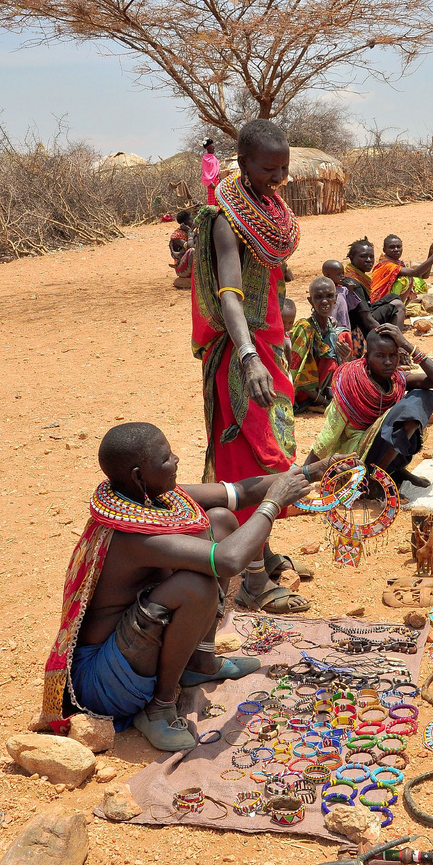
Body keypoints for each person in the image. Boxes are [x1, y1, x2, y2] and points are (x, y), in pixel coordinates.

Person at [40, 422, 329, 751]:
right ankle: (159, 707)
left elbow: (239, 493)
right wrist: (274, 504)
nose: (176, 459)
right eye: (166, 459)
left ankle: (199, 661)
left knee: (220, 521)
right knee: (196, 586)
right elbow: (229, 561)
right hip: (106, 680)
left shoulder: (147, 498)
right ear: (139, 476)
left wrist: (309, 472)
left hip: (132, 648)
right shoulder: (130, 536)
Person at [191, 119, 311, 614]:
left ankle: (260, 545)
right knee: (251, 458)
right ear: (242, 163)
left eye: (284, 168)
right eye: (268, 168)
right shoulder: (227, 218)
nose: (278, 177)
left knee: (277, 448)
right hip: (245, 355)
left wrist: (272, 353)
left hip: (270, 348)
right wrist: (250, 359)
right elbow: (230, 296)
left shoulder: (268, 207)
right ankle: (255, 579)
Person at [304, 325, 433, 489]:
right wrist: (305, 474)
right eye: (380, 356)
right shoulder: (352, 382)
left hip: (381, 447)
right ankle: (374, 483)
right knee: (406, 412)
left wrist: (407, 345)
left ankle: (395, 471)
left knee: (420, 397)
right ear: (367, 356)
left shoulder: (398, 379)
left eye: (393, 355)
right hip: (357, 456)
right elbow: (329, 434)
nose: (388, 362)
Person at [290, 277, 352, 412]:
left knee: (343, 336)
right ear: (310, 300)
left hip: (327, 390)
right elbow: (296, 372)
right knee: (329, 360)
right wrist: (324, 402)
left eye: (329, 296)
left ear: (335, 298)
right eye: (318, 297)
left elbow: (348, 365)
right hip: (305, 392)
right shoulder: (304, 328)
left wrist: (345, 356)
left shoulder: (334, 325)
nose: (325, 301)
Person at [370, 234, 433, 303]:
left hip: (387, 301)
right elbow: (416, 272)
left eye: (399, 247)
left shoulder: (398, 263)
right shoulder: (387, 265)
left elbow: (424, 276)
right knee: (404, 280)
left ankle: (399, 308)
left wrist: (431, 253)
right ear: (384, 250)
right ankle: (396, 310)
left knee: (415, 280)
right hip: (378, 303)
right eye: (392, 247)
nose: (396, 250)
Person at [322, 260, 351, 332]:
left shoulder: (343, 289)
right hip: (331, 324)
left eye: (343, 273)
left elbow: (351, 305)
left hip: (344, 322)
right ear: (328, 276)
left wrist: (351, 291)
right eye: (339, 274)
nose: (342, 276)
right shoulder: (324, 291)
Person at [169, 210, 195, 289]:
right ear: (185, 223)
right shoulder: (177, 236)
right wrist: (190, 233)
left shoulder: (192, 233)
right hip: (181, 269)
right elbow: (190, 246)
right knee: (192, 251)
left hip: (189, 265)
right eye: (191, 220)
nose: (193, 222)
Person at [201, 138, 221, 205]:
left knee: (218, 198)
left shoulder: (214, 158)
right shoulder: (205, 158)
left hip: (217, 180)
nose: (214, 148)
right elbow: (205, 171)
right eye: (212, 147)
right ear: (208, 148)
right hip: (211, 181)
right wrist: (210, 182)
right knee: (212, 200)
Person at [281, 297, 297, 369]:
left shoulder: (287, 336)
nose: (286, 326)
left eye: (290, 323)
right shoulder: (277, 339)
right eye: (283, 322)